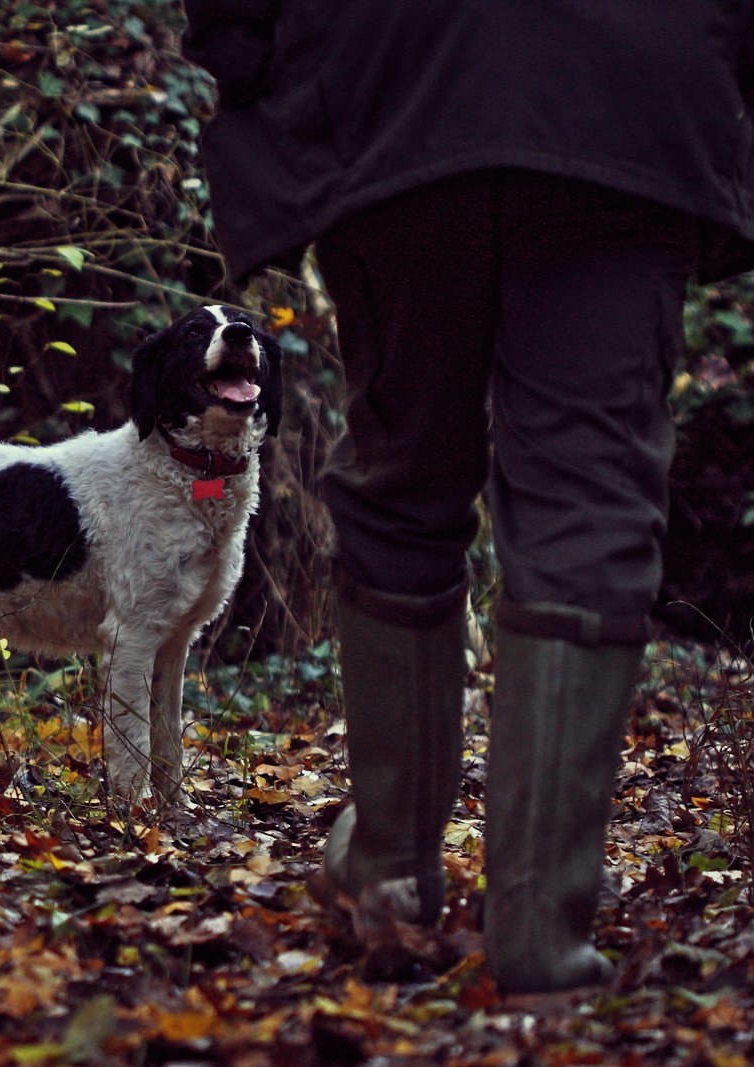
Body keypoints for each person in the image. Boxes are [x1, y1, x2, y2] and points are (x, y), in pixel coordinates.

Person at [180, 1, 754, 993]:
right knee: (589, 497)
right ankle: (539, 927)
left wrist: (259, 61)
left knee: (405, 476)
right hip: (630, 82)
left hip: (391, 72)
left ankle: (391, 875)